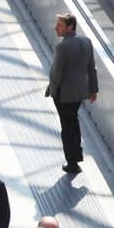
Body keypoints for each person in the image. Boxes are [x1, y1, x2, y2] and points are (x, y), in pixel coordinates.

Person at [45, 11, 98, 175]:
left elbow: (56, 73)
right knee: (73, 124)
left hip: (64, 94)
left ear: (70, 27)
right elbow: (91, 68)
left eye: (59, 25)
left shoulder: (62, 47)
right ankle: (75, 157)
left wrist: (51, 91)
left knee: (67, 128)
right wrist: (93, 89)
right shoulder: (86, 41)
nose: (56, 28)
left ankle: (72, 162)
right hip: (79, 93)